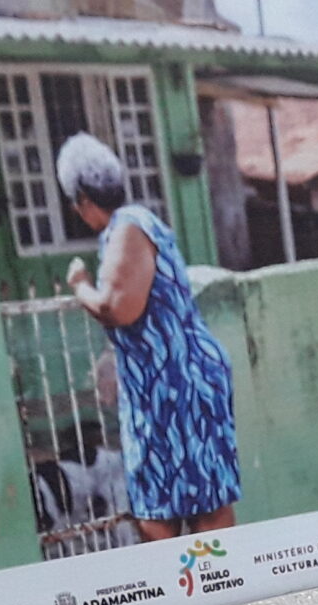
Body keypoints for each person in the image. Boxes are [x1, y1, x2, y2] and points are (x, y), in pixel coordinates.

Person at [57, 132, 243, 542]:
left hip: (176, 382)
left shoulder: (128, 227)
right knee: (178, 501)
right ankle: (205, 577)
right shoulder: (132, 225)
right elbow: (145, 313)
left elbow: (116, 308)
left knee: (181, 508)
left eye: (74, 202)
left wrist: (80, 284)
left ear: (83, 199)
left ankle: (210, 579)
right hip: (166, 380)